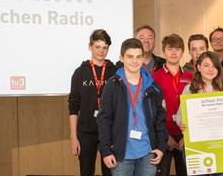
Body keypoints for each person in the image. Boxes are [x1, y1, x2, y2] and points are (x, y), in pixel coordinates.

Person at [98, 38, 167, 176]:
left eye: (138, 57)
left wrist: (161, 146)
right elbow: (104, 119)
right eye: (130, 57)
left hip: (148, 152)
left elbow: (160, 118)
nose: (135, 61)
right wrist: (105, 150)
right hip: (121, 154)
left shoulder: (152, 86)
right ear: (121, 58)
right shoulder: (112, 85)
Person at [175, 51, 223, 176]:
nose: (210, 69)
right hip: (196, 146)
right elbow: (179, 114)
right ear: (198, 67)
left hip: (221, 146)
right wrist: (182, 123)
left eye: (214, 65)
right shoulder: (190, 89)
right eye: (206, 65)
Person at [68, 29, 116, 176]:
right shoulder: (80, 72)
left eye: (105, 47)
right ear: (90, 47)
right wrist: (73, 137)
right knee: (86, 172)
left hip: (110, 131)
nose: (101, 51)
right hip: (86, 133)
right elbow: (73, 107)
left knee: (110, 172)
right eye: (97, 47)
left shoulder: (114, 71)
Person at [152, 34, 194, 176]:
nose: (174, 52)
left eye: (177, 49)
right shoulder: (154, 77)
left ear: (182, 52)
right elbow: (152, 110)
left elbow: (195, 109)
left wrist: (186, 136)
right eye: (170, 49)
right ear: (164, 51)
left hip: (185, 135)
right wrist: (165, 135)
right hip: (163, 134)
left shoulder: (191, 77)